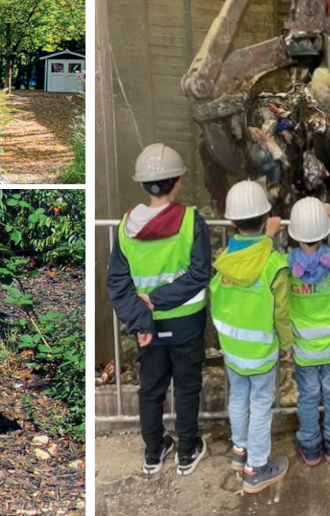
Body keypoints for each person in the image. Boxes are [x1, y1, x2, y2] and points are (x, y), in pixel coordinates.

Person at [106, 143, 212, 476]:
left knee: (151, 390)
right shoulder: (192, 221)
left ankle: (153, 453)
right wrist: (161, 299)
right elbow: (200, 273)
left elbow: (117, 283)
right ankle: (187, 452)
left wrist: (142, 316)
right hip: (187, 324)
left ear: (142, 184)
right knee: (187, 388)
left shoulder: (126, 227)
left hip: (147, 329)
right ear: (178, 182)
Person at [209, 180, 292, 494]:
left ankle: (239, 450)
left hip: (233, 350)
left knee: (238, 398)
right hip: (261, 353)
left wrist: (267, 238)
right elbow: (281, 313)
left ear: (231, 221)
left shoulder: (225, 258)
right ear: (267, 217)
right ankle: (256, 468)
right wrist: (287, 344)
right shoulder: (274, 264)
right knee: (260, 405)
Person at [284, 197, 330, 466]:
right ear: (324, 233)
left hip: (303, 349)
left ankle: (311, 447)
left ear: (294, 233)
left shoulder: (286, 266)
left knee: (309, 397)